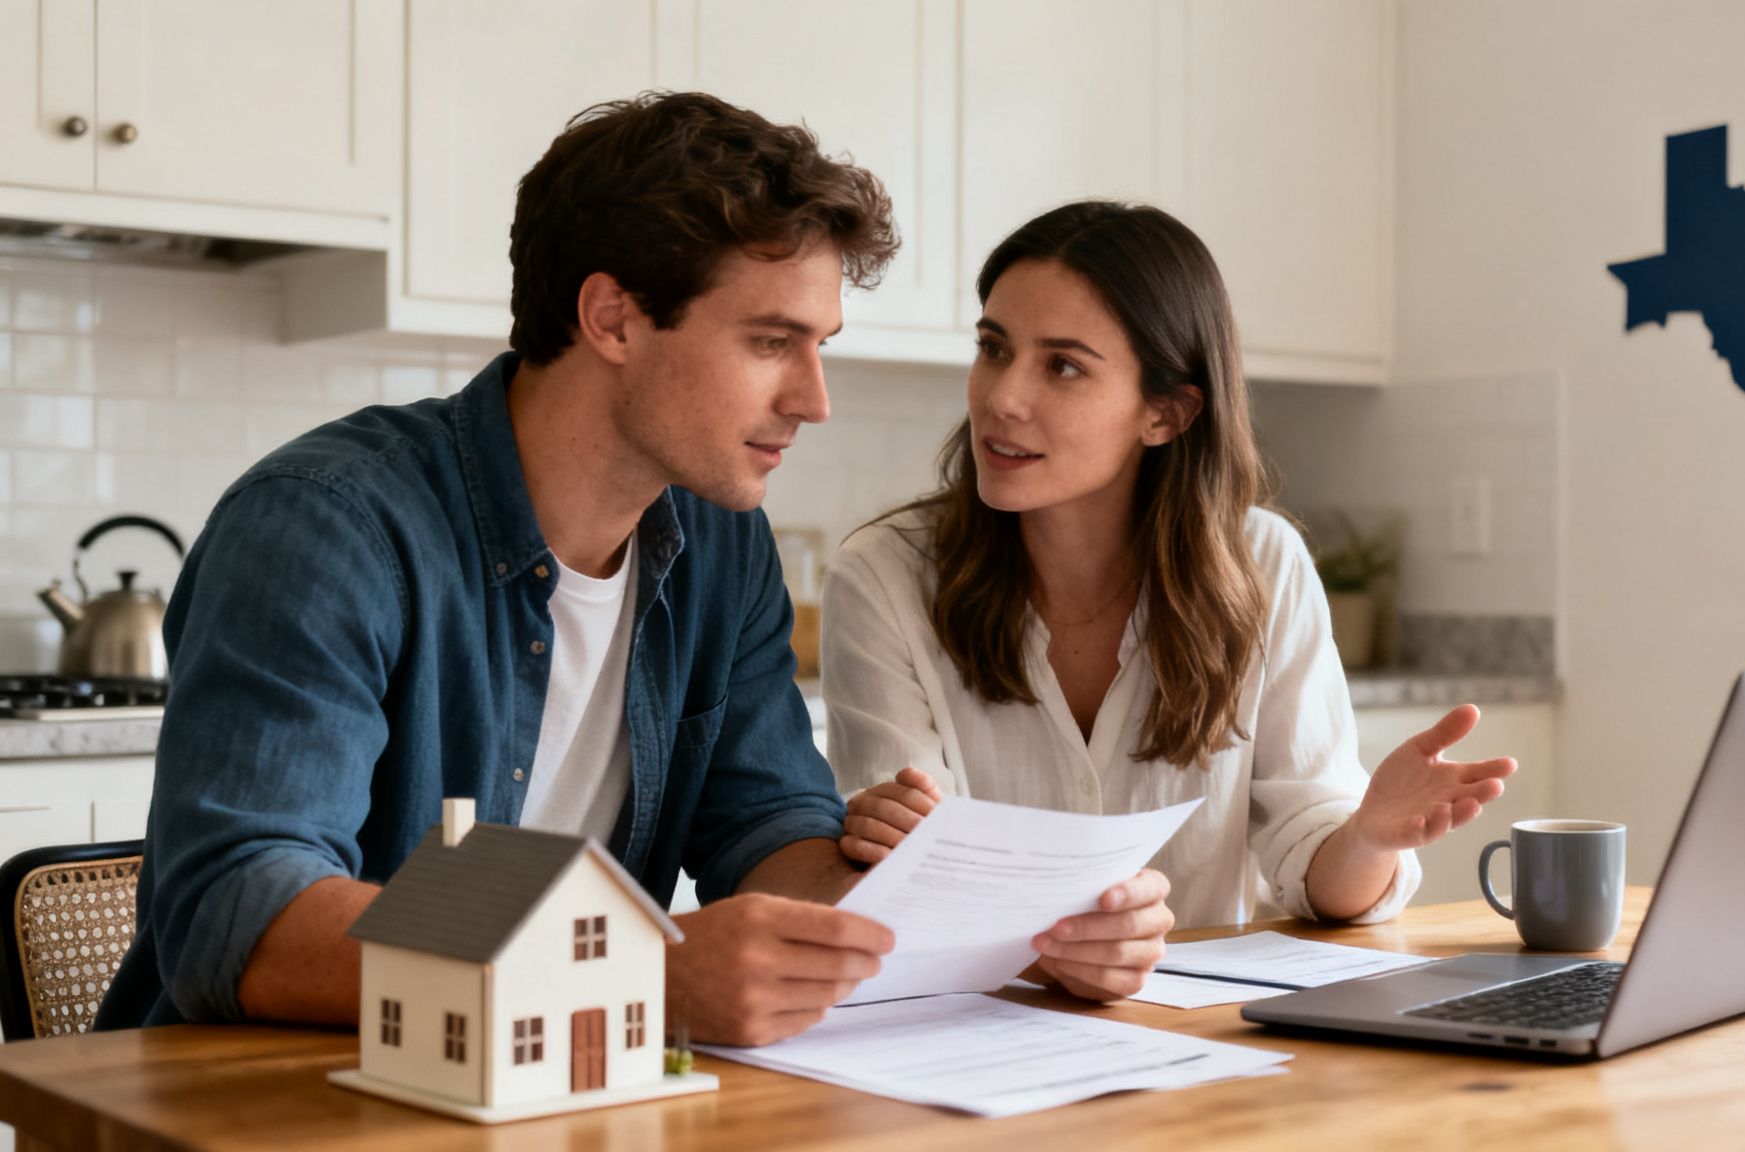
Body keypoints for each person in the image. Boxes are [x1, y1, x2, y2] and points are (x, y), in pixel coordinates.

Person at [96, 95, 1170, 1047]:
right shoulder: (330, 527)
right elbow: (240, 915)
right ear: (610, 316)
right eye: (769, 342)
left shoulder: (715, 542)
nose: (811, 398)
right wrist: (630, 973)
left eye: (819, 346)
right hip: (274, 1108)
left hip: (557, 1093)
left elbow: (768, 836)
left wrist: (1014, 925)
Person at [823, 201, 1516, 944]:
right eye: (994, 348)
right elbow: (905, 877)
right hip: (973, 1029)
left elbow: (1321, 874)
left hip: (1209, 1042)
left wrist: (1371, 837)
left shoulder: (1264, 566)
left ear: (1167, 414)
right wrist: (1048, 948)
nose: (1002, 398)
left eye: (1062, 366)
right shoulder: (885, 577)